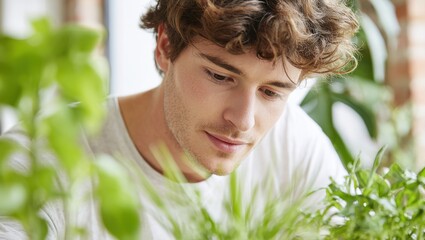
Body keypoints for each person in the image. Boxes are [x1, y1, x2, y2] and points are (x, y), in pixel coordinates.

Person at [1, 0, 359, 239]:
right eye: (220, 77)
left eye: (272, 92)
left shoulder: (295, 146)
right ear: (165, 46)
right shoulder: (41, 157)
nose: (243, 121)